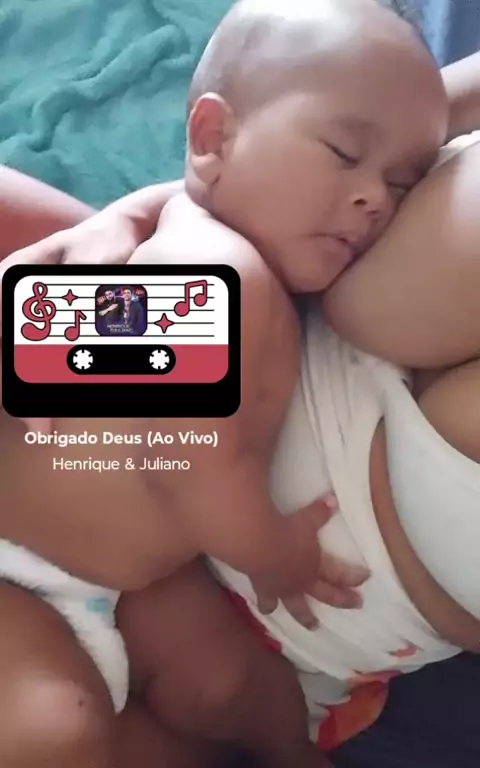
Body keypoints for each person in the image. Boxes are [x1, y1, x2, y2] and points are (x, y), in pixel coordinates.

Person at [1, 8, 480, 768]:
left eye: (400, 183)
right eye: (344, 155)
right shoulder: (213, 272)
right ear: (212, 138)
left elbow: (72, 350)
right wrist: (270, 552)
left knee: (224, 681)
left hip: (123, 572)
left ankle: (286, 747)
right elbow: (184, 453)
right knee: (61, 726)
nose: (375, 199)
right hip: (24, 552)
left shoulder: (225, 256)